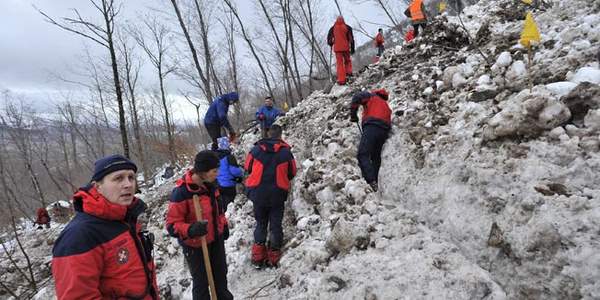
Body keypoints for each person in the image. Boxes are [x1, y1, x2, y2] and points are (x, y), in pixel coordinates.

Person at [52, 154, 159, 299]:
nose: (128, 184)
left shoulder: (126, 219)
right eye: (118, 178)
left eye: (131, 177)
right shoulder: (79, 235)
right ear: (98, 186)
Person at [166, 150, 234, 300]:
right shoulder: (182, 192)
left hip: (216, 239)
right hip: (195, 245)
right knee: (202, 283)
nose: (217, 174)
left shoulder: (211, 186)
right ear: (203, 171)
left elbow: (218, 210)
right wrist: (190, 229)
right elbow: (171, 225)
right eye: (214, 171)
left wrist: (223, 225)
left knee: (221, 276)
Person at [244, 125, 297, 268]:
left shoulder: (255, 150)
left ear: (268, 133)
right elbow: (292, 172)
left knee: (261, 223)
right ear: (280, 135)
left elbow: (247, 167)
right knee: (275, 224)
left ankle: (257, 257)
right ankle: (273, 257)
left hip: (258, 193)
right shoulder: (286, 153)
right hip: (277, 194)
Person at [350, 89, 392, 192]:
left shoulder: (371, 96)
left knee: (362, 154)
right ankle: (375, 183)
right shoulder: (386, 105)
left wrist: (353, 115)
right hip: (384, 130)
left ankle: (370, 181)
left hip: (372, 126)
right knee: (375, 157)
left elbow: (357, 97)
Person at [216, 137, 244, 212]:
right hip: (229, 184)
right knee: (231, 204)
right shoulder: (229, 157)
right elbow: (235, 171)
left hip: (219, 184)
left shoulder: (215, 157)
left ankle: (225, 215)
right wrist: (242, 172)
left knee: (224, 203)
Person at [327, 16, 356, 85]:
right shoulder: (348, 27)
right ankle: (349, 74)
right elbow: (351, 39)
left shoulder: (332, 28)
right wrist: (352, 49)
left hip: (337, 49)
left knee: (339, 64)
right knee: (347, 61)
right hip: (346, 48)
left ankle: (342, 80)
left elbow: (329, 40)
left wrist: (331, 43)